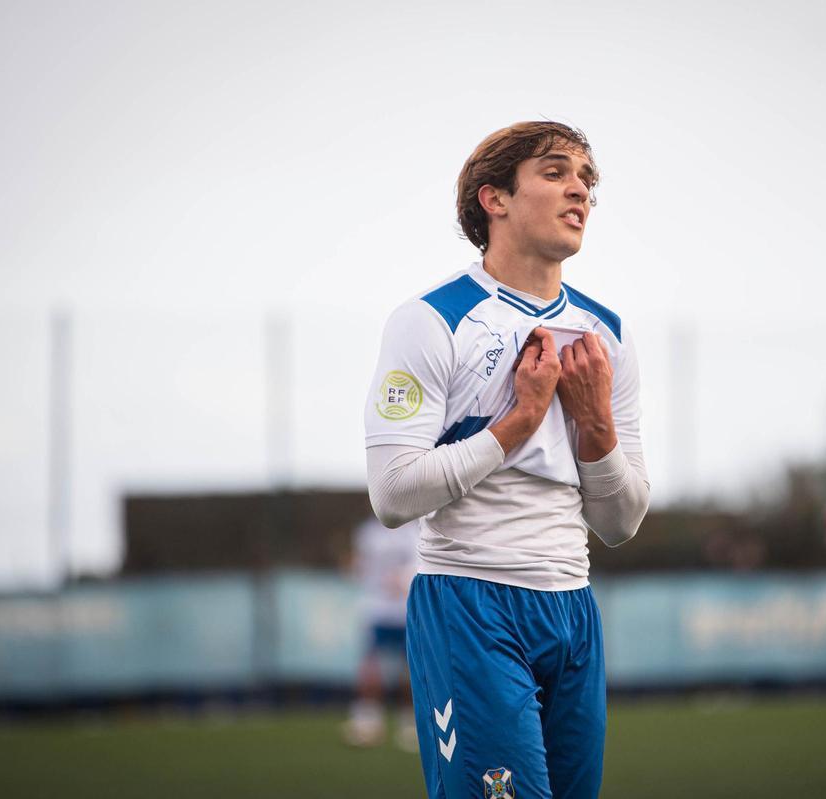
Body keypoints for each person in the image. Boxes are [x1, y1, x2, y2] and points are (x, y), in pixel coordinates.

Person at [363, 121, 649, 799]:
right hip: (469, 601)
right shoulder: (430, 320)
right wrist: (518, 420)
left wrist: (596, 422)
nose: (580, 188)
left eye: (587, 178)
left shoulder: (607, 332)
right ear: (493, 198)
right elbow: (393, 495)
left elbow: (621, 520)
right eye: (555, 172)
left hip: (573, 607)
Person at [343, 516, 420, 751]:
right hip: (376, 608)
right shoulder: (368, 531)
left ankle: (411, 723)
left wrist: (404, 579)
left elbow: (421, 564)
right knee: (371, 665)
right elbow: (360, 567)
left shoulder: (417, 531)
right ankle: (368, 721)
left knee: (411, 666)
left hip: (406, 608)